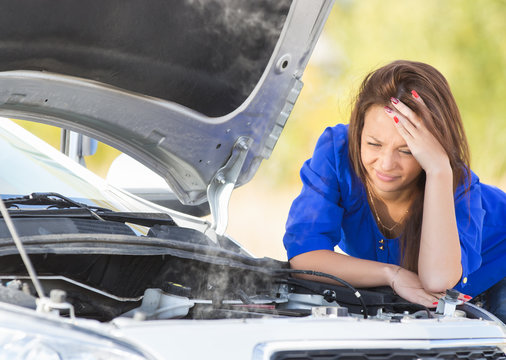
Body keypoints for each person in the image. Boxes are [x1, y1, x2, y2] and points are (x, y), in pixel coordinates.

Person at [283, 60, 506, 321]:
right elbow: (304, 256)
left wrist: (438, 171)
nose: (386, 165)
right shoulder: (337, 151)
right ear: (358, 131)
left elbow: (438, 281)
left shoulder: (455, 180)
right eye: (374, 144)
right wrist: (391, 274)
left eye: (407, 150)